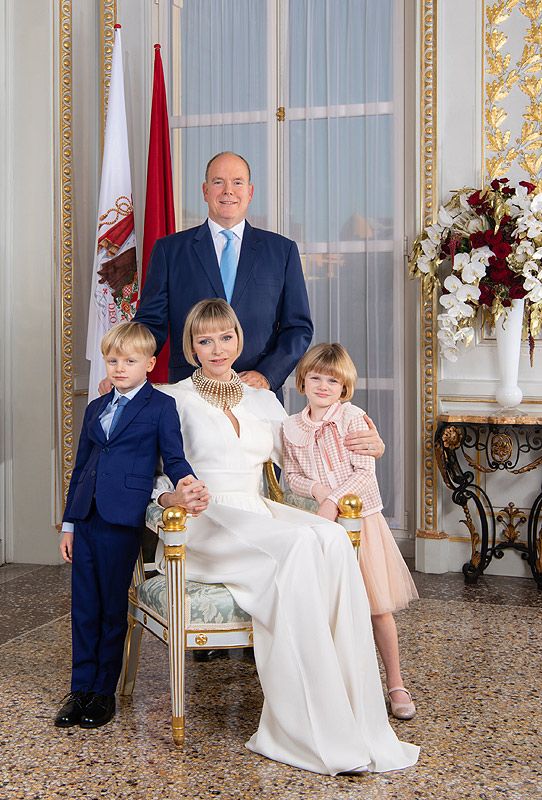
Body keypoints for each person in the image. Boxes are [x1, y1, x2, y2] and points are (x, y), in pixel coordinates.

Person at [154, 299, 419, 775]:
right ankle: (299, 728)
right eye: (204, 339)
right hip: (206, 517)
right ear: (191, 347)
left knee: (333, 540)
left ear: (240, 339)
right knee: (298, 545)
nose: (217, 348)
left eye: (226, 337)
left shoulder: (262, 397)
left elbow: (307, 448)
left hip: (259, 511)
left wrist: (369, 444)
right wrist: (170, 500)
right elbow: (151, 472)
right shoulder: (172, 397)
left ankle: (352, 714)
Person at [55, 322, 200, 730]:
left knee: (112, 607)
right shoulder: (95, 408)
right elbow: (81, 467)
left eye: (130, 361)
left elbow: (173, 456)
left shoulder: (159, 407)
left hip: (122, 516)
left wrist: (186, 481)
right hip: (86, 517)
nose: (119, 368)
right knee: (84, 606)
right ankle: (79, 688)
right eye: (113, 360)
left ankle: (102, 692)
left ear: (150, 364)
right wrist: (68, 523)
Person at [281, 343, 419, 721]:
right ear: (302, 381)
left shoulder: (353, 418)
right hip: (321, 527)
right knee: (328, 608)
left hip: (362, 523)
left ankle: (395, 683)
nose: (324, 386)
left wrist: (333, 502)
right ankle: (333, 685)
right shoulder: (291, 426)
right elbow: (292, 476)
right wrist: (320, 493)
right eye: (316, 378)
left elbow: (364, 473)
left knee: (377, 607)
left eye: (333, 381)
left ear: (344, 388)